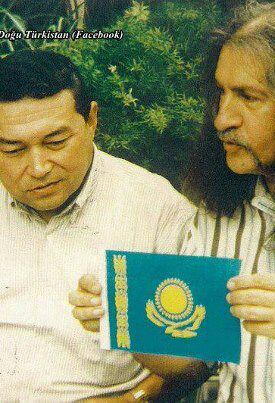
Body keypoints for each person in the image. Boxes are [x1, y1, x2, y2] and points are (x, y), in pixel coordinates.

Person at [72, 0, 275, 401]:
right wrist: (123, 320)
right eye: (221, 94)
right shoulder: (219, 213)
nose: (222, 119)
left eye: (248, 96)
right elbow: (195, 364)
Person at [0, 50, 209, 401]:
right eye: (13, 149)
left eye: (55, 143)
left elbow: (200, 360)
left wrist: (136, 398)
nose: (38, 168)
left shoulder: (158, 210)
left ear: (91, 120)